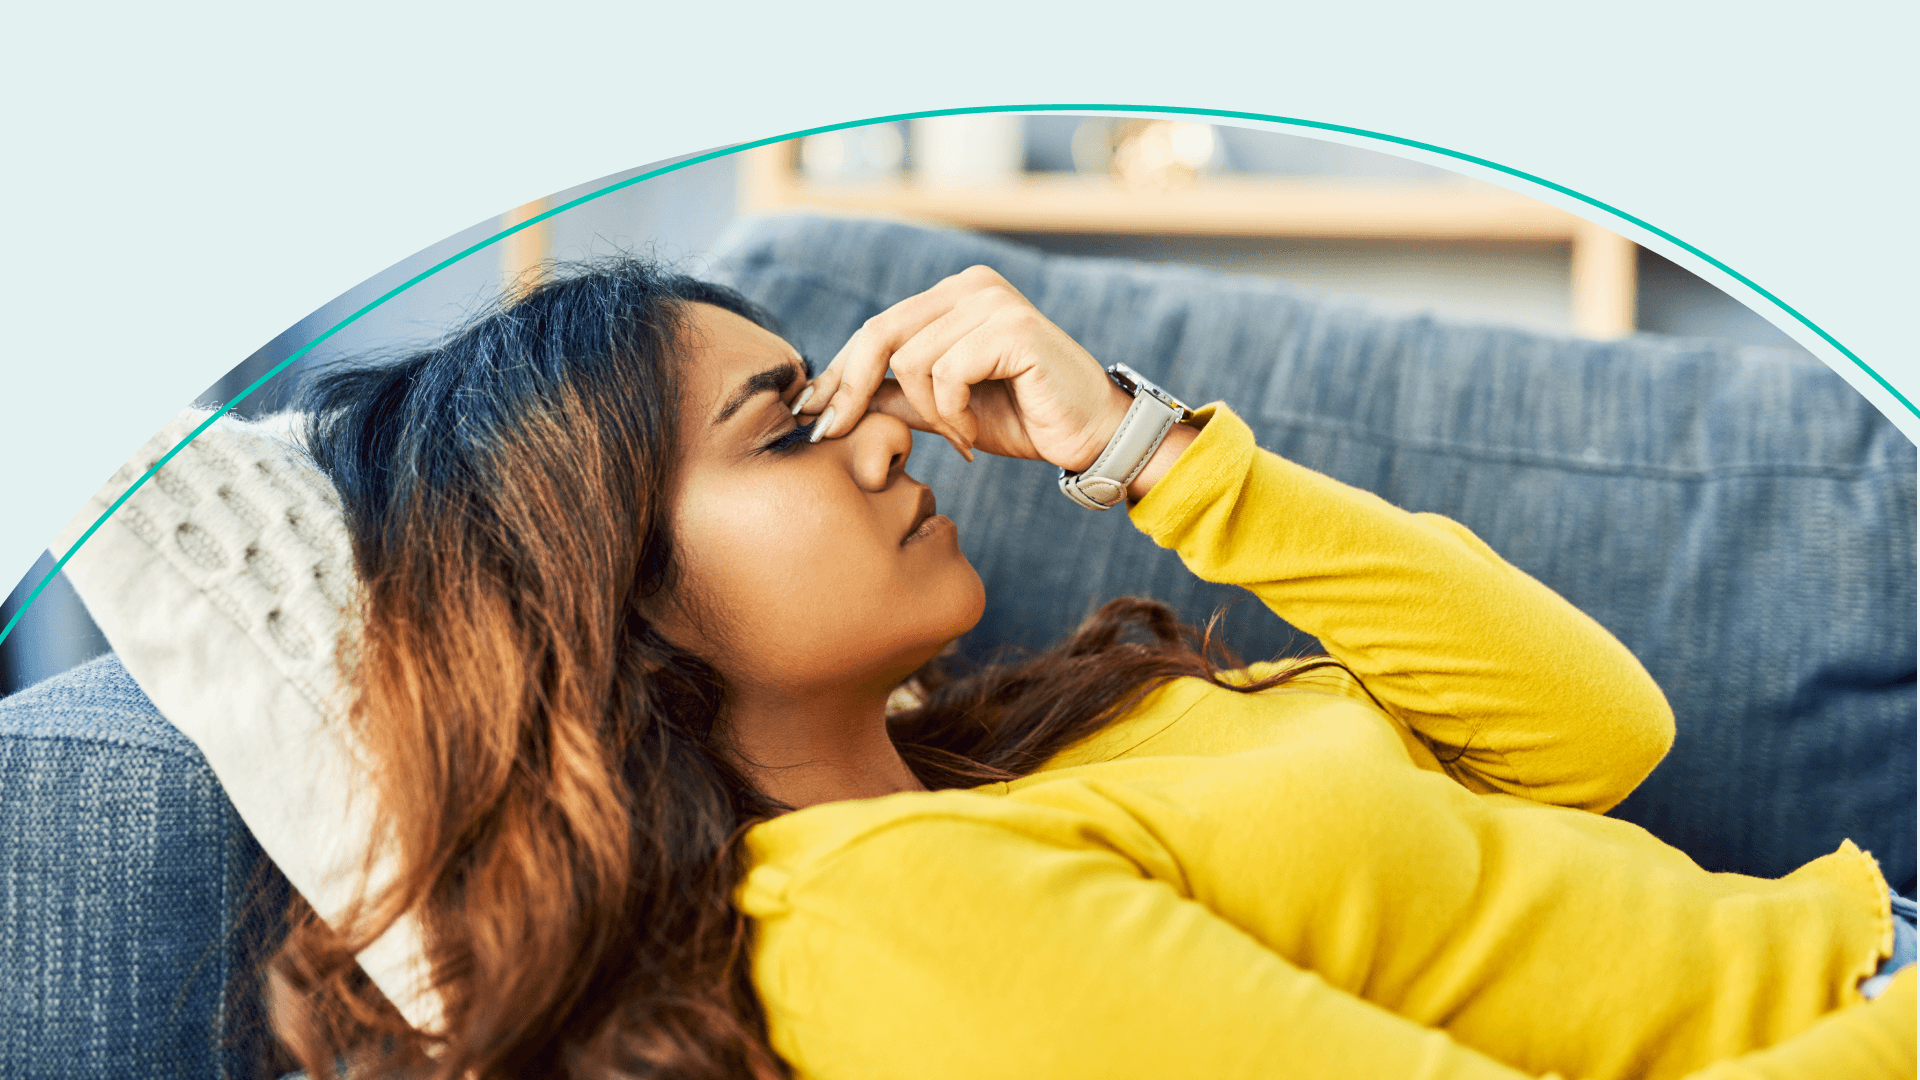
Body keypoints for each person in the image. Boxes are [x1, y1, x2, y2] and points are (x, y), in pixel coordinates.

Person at [277, 257, 1915, 1080]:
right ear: (609, 595)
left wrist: (1153, 451)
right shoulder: (868, 919)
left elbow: (1597, 735)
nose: (880, 437)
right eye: (785, 430)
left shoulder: (1039, 744)